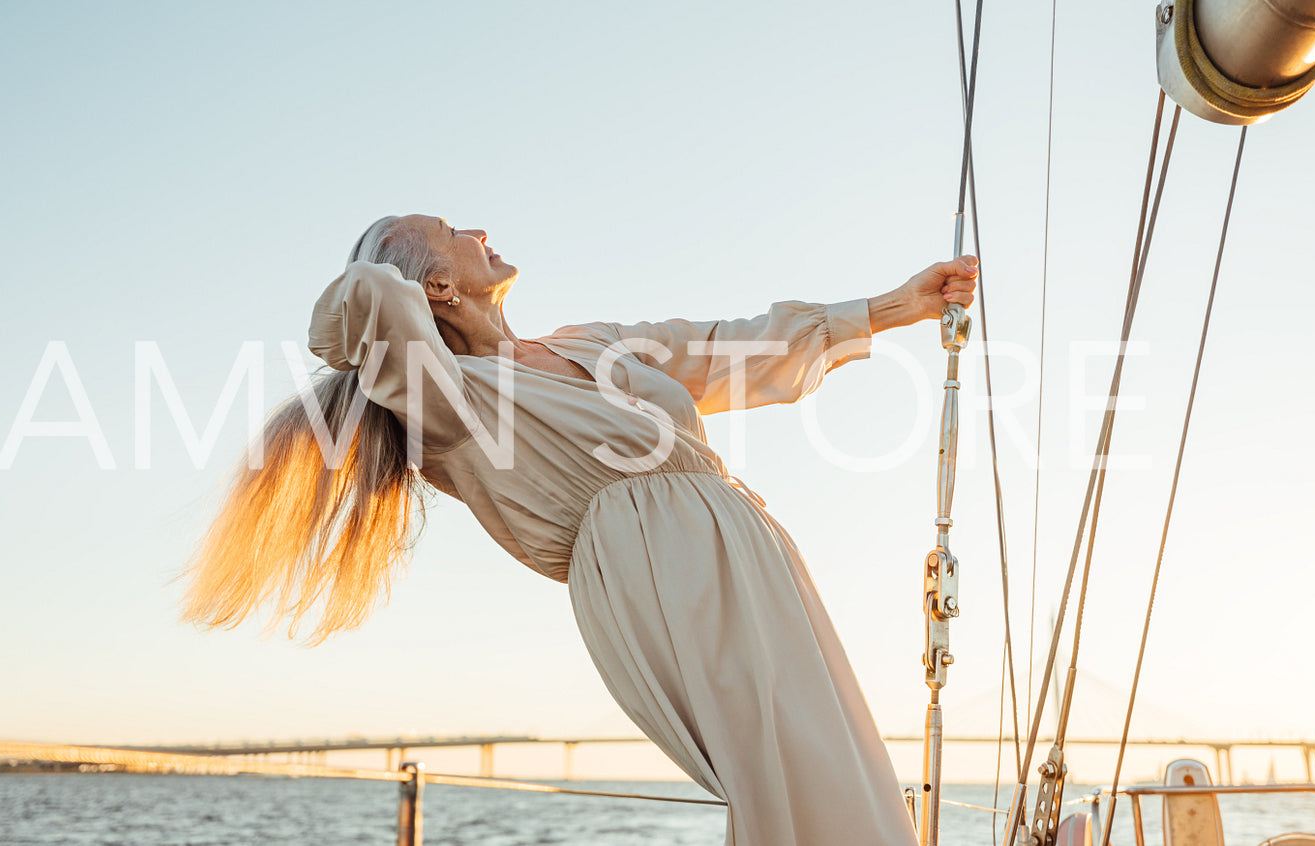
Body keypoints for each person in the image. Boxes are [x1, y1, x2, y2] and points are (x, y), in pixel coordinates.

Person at [181, 213, 978, 845]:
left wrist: (896, 306)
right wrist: (397, 275)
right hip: (656, 574)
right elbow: (363, 309)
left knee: (836, 757)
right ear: (436, 287)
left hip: (748, 547)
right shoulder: (444, 399)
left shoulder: (589, 345)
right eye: (454, 232)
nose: (480, 230)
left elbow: (723, 346)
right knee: (787, 776)